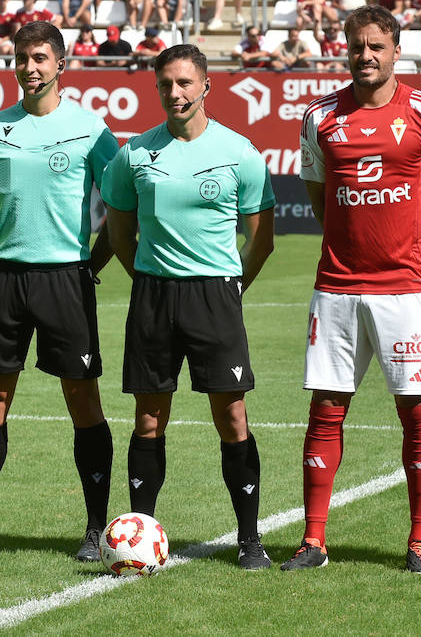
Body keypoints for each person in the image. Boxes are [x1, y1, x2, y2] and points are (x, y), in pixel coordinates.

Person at [282, 4, 421, 574]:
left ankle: (420, 543)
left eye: (376, 47)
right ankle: (313, 541)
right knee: (326, 409)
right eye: (357, 46)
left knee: (417, 411)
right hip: (336, 286)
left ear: (395, 50)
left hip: (404, 288)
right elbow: (318, 190)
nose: (365, 56)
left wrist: (416, 238)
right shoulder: (319, 117)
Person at [0, 22, 120, 561]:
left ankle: (95, 529)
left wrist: (90, 265)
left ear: (61, 64)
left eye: (41, 57)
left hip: (66, 280)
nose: (30, 67)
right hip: (5, 278)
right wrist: (1, 246)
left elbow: (121, 207)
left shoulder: (91, 130)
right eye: (22, 57)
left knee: (82, 400)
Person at [102, 44, 276, 570]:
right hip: (154, 296)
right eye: (165, 85)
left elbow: (261, 239)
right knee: (149, 418)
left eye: (184, 84)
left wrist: (229, 289)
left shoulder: (240, 152)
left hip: (216, 296)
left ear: (205, 87)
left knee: (232, 414)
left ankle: (250, 539)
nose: (174, 94)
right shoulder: (134, 153)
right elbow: (119, 231)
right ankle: (137, 535)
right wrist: (150, 279)